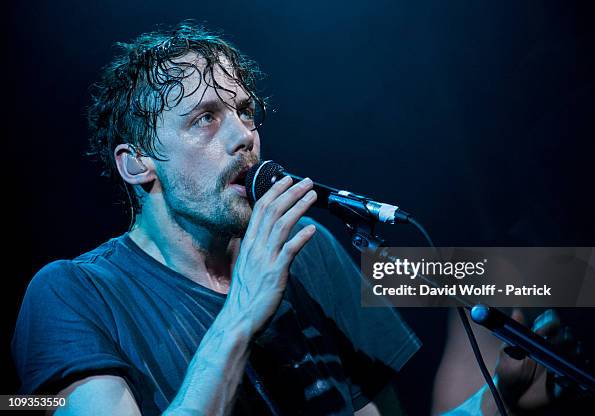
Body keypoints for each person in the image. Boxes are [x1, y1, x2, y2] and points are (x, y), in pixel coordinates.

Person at [13, 21, 563, 415]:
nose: (243, 136)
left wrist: (496, 401)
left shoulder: (308, 247)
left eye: (245, 111)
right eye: (204, 119)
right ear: (136, 164)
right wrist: (241, 314)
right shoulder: (71, 293)